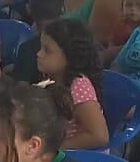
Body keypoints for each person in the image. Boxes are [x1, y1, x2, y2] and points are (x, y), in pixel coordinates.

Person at [37, 18, 108, 150]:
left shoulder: (78, 86)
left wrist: (54, 149)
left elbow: (100, 136)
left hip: (80, 156)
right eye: (40, 48)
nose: (39, 54)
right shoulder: (52, 79)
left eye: (47, 50)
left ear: (70, 56)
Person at [10, 0, 65, 83]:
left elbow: (18, 92)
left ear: (28, 8)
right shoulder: (77, 41)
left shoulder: (28, 50)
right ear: (63, 8)